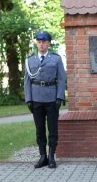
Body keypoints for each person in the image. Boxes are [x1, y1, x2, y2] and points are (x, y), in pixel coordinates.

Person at [24, 31, 66, 169]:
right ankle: (42, 156)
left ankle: (52, 156)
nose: (41, 44)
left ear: (49, 43)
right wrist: (28, 99)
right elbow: (27, 81)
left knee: (52, 129)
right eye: (39, 42)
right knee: (39, 129)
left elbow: (61, 78)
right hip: (36, 99)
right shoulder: (30, 60)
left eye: (44, 42)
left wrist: (60, 97)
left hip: (51, 98)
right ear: (37, 43)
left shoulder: (56, 59)